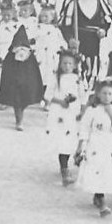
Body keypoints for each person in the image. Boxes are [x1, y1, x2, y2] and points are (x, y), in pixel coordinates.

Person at [75, 78, 112, 217]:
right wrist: (80, 146)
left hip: (110, 144)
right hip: (95, 144)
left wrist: (110, 113)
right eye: (104, 93)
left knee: (106, 170)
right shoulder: (92, 110)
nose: (107, 96)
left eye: (110, 94)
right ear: (98, 94)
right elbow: (85, 128)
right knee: (96, 168)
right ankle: (102, 201)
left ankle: (99, 195)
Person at [57, 0, 112, 90]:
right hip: (78, 39)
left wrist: (104, 30)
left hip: (97, 39)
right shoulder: (71, 1)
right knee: (80, 66)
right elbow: (64, 24)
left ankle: (94, 88)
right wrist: (70, 39)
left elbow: (109, 19)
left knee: (96, 66)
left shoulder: (100, 0)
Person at [46, 49, 84, 185]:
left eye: (70, 64)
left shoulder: (78, 79)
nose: (67, 66)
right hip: (60, 113)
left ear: (74, 65)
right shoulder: (56, 78)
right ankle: (64, 168)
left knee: (72, 139)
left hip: (73, 113)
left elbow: (82, 96)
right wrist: (61, 101)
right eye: (64, 63)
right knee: (63, 139)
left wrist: (83, 110)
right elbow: (47, 96)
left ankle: (70, 161)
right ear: (60, 64)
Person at [0, 25, 44, 131]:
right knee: (17, 103)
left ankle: (20, 118)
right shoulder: (10, 55)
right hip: (15, 83)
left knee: (24, 102)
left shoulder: (30, 56)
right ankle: (19, 121)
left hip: (26, 84)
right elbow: (7, 71)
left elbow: (34, 72)